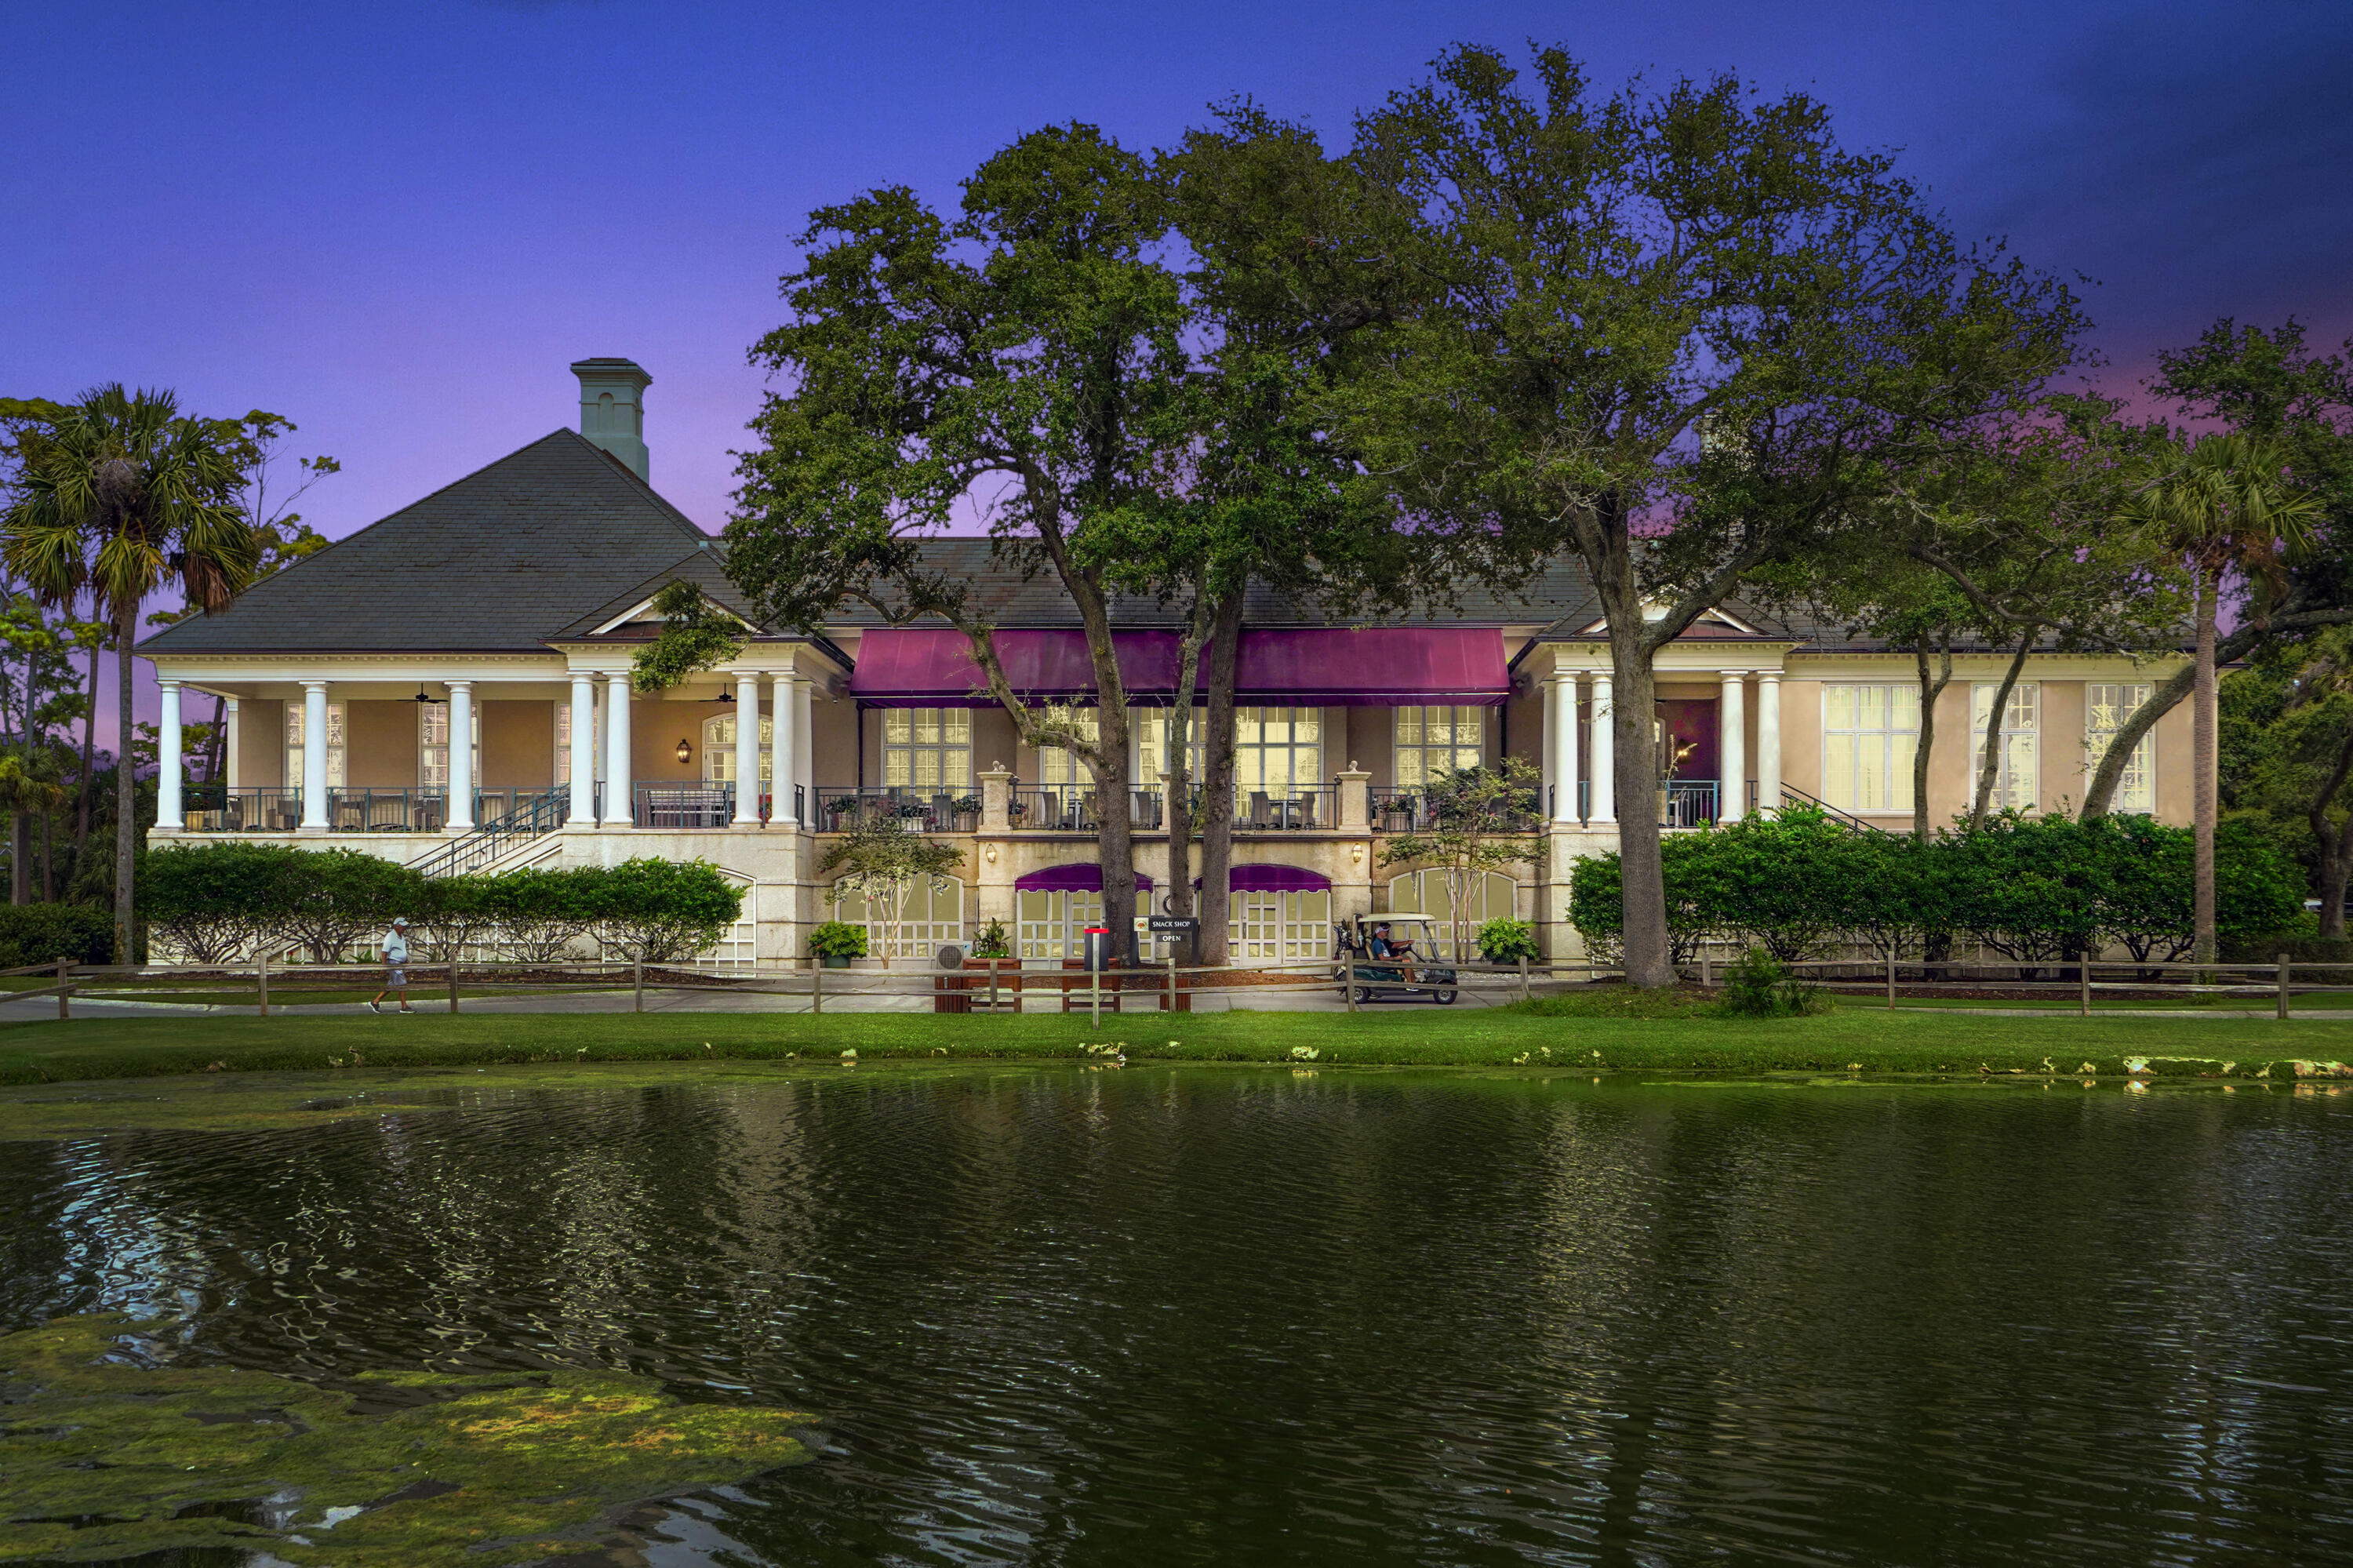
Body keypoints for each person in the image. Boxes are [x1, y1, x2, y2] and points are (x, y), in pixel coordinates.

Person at [369, 918, 413, 1013]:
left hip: (399, 963)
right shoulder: (390, 937)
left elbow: (402, 950)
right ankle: (404, 1007)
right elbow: (384, 952)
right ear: (396, 926)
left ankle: (375, 1001)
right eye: (402, 926)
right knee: (402, 983)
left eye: (405, 926)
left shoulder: (402, 937)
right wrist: (384, 967)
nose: (404, 928)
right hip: (393, 963)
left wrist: (406, 960)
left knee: (392, 985)